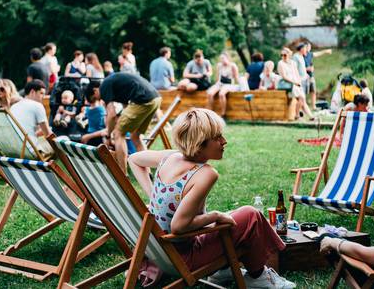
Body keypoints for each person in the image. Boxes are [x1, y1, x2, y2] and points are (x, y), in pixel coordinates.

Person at [128, 108, 296, 288]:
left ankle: (223, 271)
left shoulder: (170, 157)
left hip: (161, 252)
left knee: (235, 216)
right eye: (217, 137)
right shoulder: (205, 174)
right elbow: (179, 226)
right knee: (250, 215)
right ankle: (258, 276)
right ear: (199, 143)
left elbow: (134, 159)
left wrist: (152, 193)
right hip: (184, 258)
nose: (224, 141)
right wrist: (215, 215)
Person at [96, 73, 161, 173]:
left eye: (96, 97)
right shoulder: (116, 85)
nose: (99, 100)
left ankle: (123, 174)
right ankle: (148, 172)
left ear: (95, 90)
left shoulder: (104, 87)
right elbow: (126, 107)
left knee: (118, 134)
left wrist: (108, 134)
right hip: (155, 98)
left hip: (143, 100)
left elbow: (112, 114)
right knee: (135, 136)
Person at [10, 80, 53, 154]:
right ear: (32, 91)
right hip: (30, 151)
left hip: (12, 149)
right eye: (41, 93)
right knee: (62, 141)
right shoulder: (38, 105)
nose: (43, 97)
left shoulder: (13, 107)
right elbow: (48, 135)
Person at [277, 47, 314, 120]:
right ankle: (297, 115)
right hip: (288, 84)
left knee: (303, 100)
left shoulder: (293, 63)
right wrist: (294, 82)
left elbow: (296, 73)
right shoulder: (280, 63)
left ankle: (311, 116)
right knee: (301, 98)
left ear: (289, 54)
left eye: (285, 55)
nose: (283, 57)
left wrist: (299, 81)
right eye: (282, 55)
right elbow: (284, 76)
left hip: (296, 83)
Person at [206, 53, 239, 118]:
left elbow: (236, 77)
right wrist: (216, 85)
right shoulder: (219, 65)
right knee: (210, 93)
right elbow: (217, 77)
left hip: (229, 84)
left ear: (227, 58)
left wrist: (241, 85)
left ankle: (223, 113)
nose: (222, 60)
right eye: (221, 59)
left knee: (221, 94)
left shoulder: (232, 65)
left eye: (223, 58)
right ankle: (209, 112)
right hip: (220, 83)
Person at [80, 82, 108, 146]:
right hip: (98, 138)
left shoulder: (88, 109)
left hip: (91, 136)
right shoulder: (101, 109)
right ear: (95, 92)